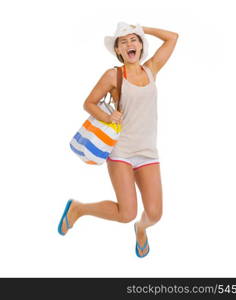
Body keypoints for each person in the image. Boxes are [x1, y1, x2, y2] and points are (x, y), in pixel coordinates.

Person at [58, 22, 179, 258]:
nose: (129, 44)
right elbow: (89, 103)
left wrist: (143, 28)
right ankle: (78, 209)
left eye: (134, 40)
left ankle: (141, 230)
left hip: (147, 152)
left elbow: (173, 38)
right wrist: (108, 115)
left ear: (141, 45)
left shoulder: (151, 69)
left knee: (154, 214)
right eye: (123, 42)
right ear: (119, 51)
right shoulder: (113, 75)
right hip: (121, 151)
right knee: (126, 213)